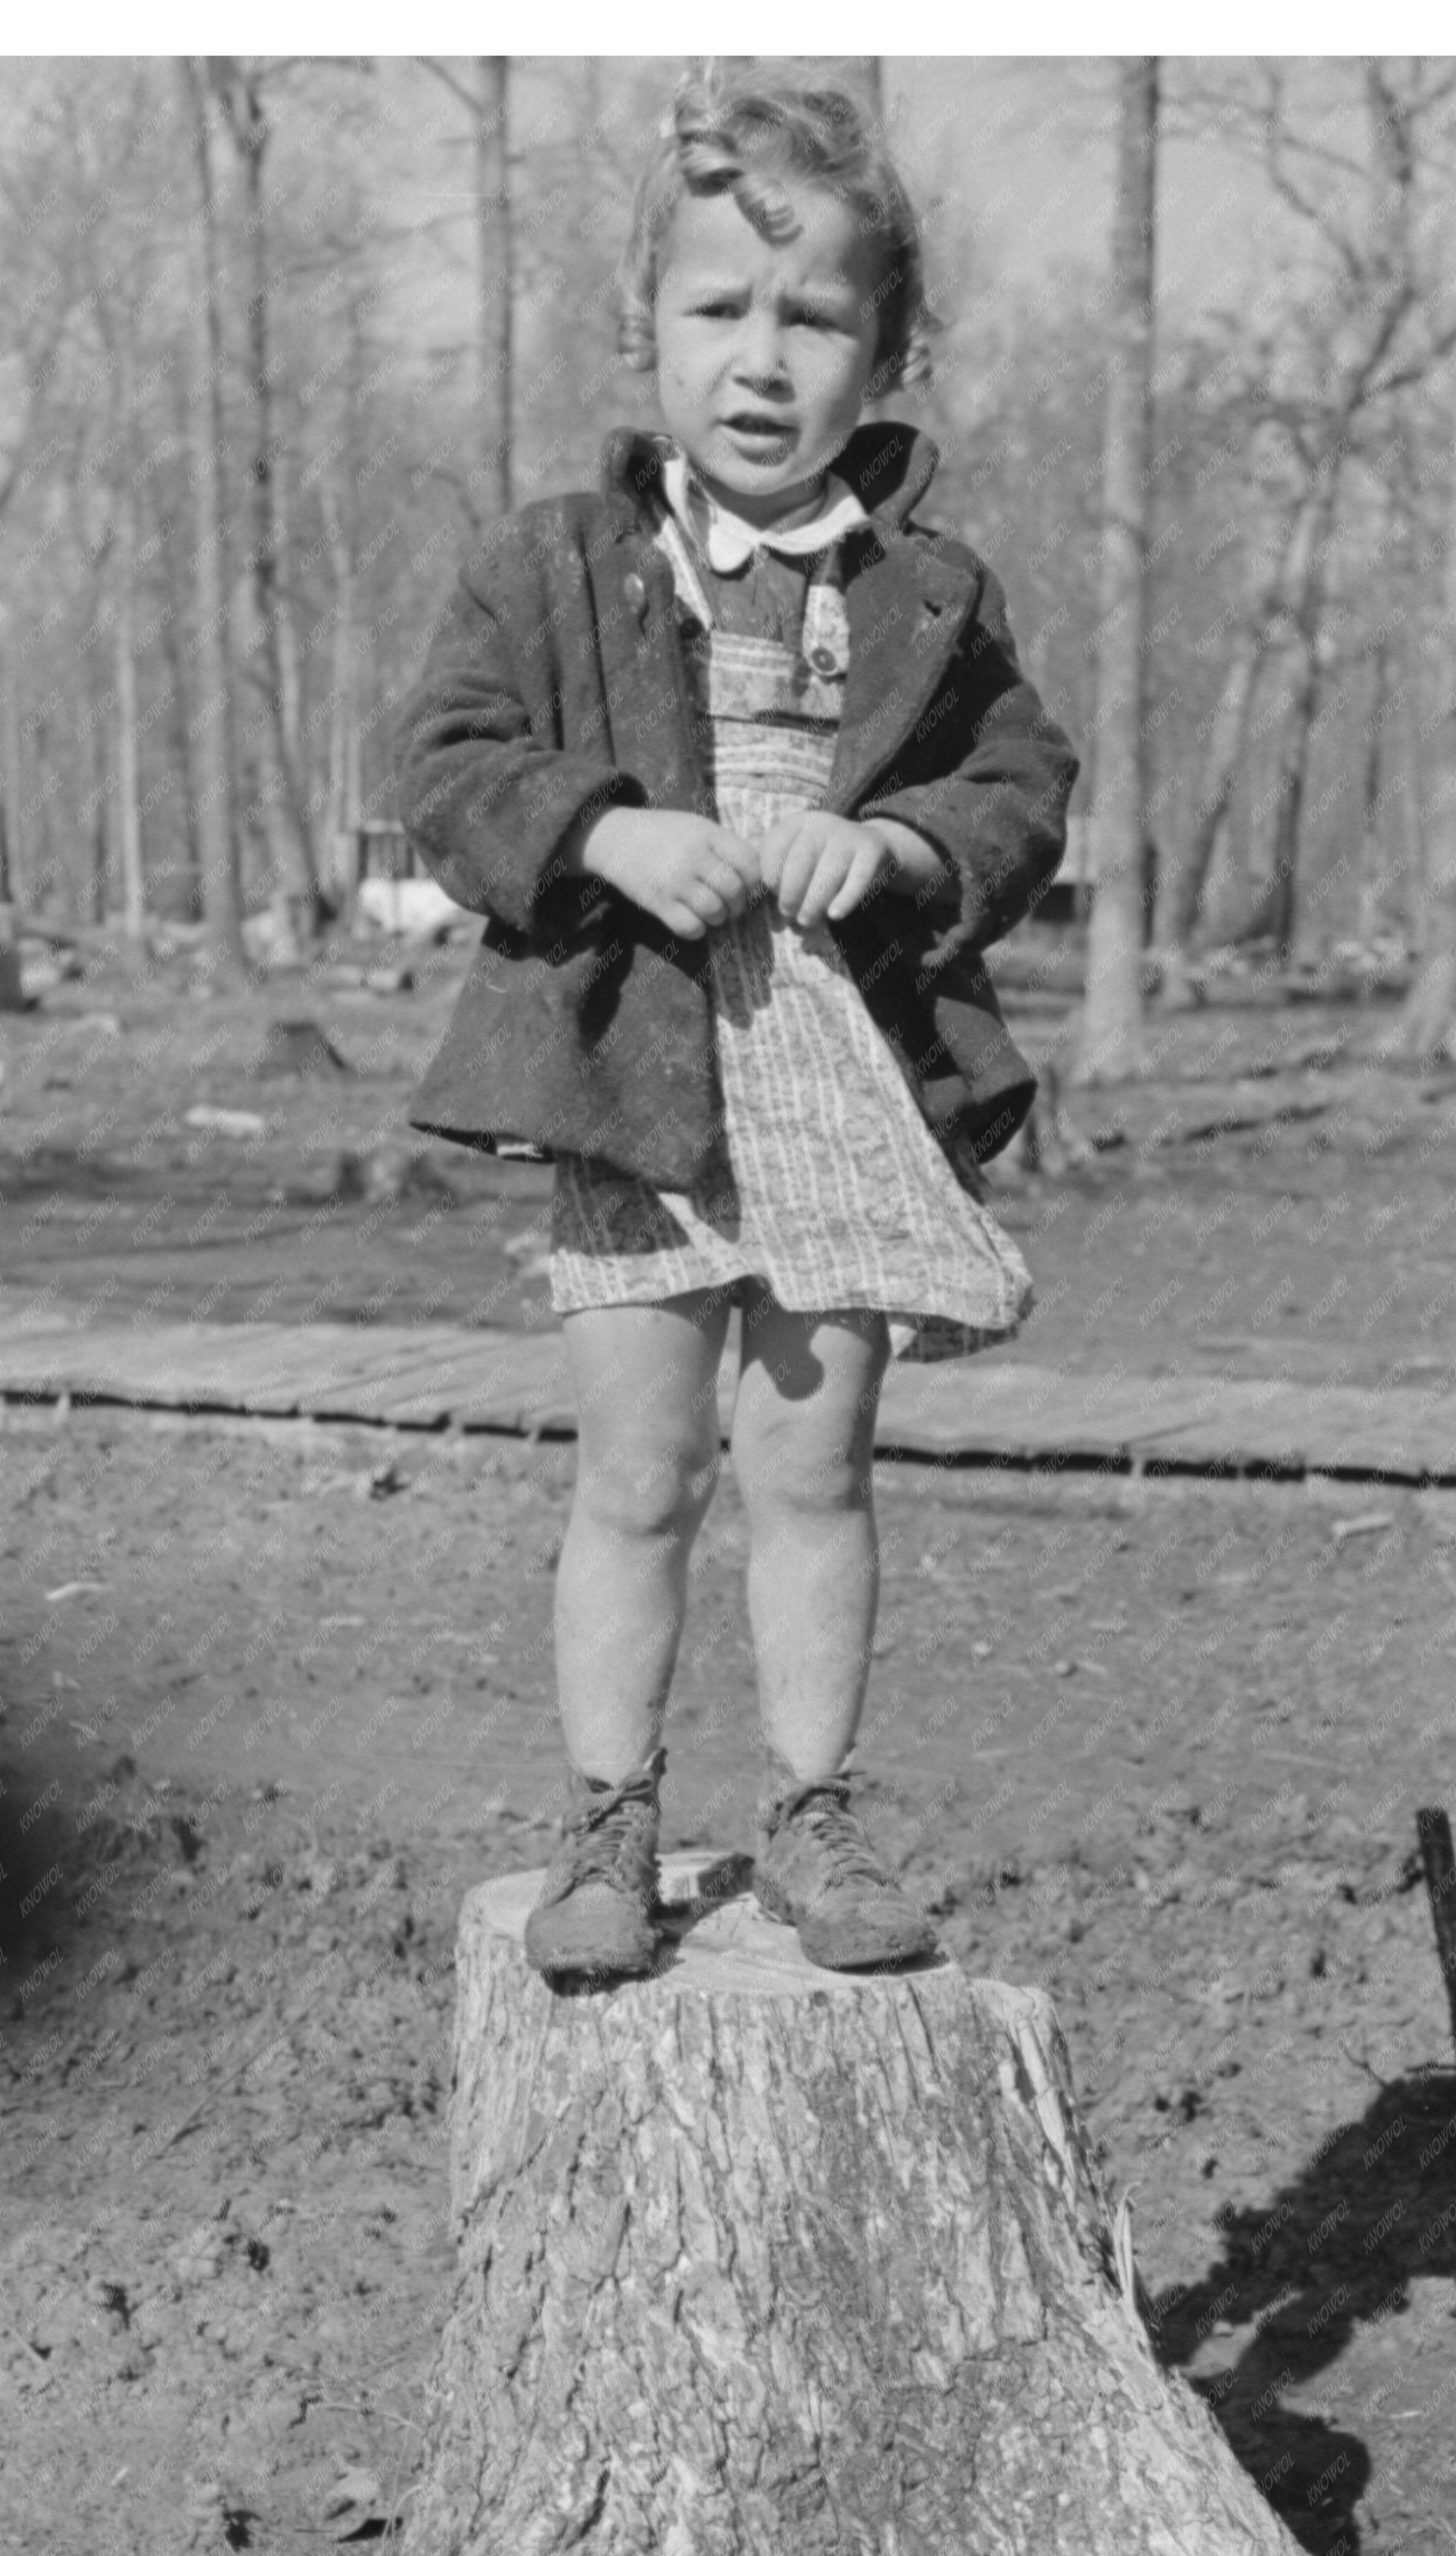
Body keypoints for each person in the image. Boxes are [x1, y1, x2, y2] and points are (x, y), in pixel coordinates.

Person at [400, 64, 1078, 1980]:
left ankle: (809, 1809)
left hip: (842, 1081)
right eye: (718, 309)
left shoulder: (927, 593)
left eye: (813, 316)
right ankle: (611, 1817)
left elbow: (1023, 785)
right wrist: (601, 828)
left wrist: (909, 847)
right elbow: (444, 763)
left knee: (812, 1461)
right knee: (638, 1471)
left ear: (888, 351)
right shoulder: (555, 563)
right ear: (647, 332)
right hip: (634, 1080)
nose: (761, 358)